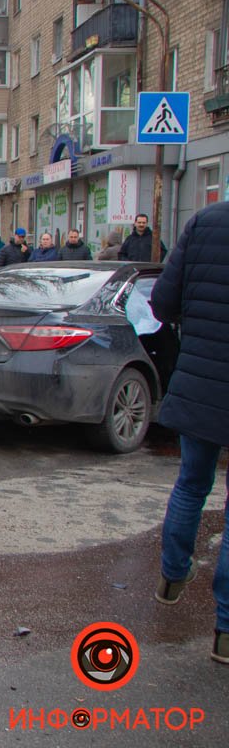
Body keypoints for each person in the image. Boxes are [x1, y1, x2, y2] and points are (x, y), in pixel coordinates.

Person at [147, 200, 229, 665]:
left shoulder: (204, 222)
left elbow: (162, 302)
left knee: (191, 485)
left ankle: (172, 578)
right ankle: (226, 632)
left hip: (200, 385)